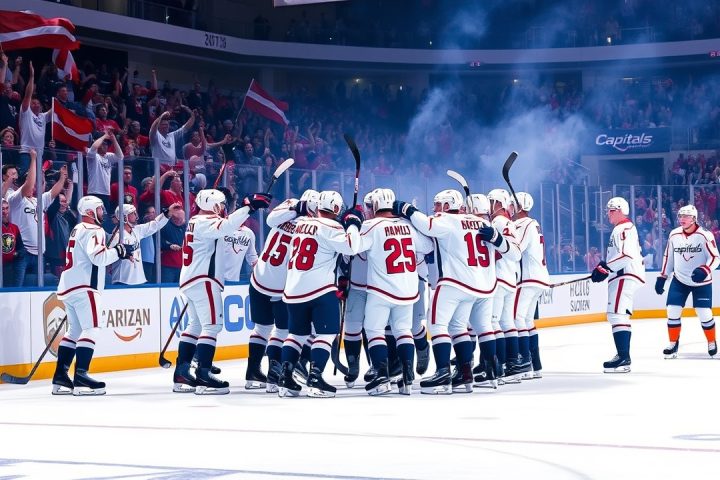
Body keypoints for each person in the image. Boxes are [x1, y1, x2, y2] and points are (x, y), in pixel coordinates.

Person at [393, 189, 509, 394]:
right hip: (480, 285)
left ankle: (443, 374)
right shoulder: (482, 222)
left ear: (448, 206)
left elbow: (427, 225)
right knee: (459, 327)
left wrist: (408, 210)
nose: (434, 208)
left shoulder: (446, 220)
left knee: (437, 325)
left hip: (454, 283)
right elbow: (505, 249)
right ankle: (470, 373)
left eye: (438, 204)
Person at [172, 189, 271, 395]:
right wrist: (248, 207)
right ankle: (204, 375)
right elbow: (227, 226)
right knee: (212, 326)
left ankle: (182, 373)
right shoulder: (206, 223)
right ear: (214, 205)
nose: (224, 208)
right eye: (222, 204)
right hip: (204, 279)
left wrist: (247, 208)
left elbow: (226, 225)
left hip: (191, 279)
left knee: (195, 325)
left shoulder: (195, 221)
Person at [277, 191, 362, 398]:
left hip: (293, 289)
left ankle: (285, 378)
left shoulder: (301, 223)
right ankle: (315, 378)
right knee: (326, 334)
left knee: (296, 335)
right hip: (319, 289)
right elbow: (352, 247)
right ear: (336, 209)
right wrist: (352, 223)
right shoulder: (332, 227)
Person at [51, 196, 135, 395]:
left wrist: (118, 251)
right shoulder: (94, 230)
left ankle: (60, 377)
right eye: (99, 209)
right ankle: (81, 377)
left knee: (74, 331)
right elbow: (98, 258)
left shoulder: (78, 228)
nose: (102, 212)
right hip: (85, 287)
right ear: (90, 212)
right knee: (92, 329)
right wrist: (119, 251)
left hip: (69, 286)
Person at [355, 188, 433, 395]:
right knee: (403, 331)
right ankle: (407, 378)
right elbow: (427, 246)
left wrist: (352, 224)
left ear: (376, 205)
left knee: (374, 330)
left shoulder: (371, 225)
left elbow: (353, 247)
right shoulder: (407, 225)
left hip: (381, 290)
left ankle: (381, 376)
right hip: (407, 290)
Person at [248, 189, 318, 392]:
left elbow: (271, 219)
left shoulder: (289, 206)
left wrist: (295, 208)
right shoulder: (313, 226)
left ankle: (253, 372)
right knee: (282, 330)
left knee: (261, 328)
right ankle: (273, 374)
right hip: (281, 285)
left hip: (260, 278)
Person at [656, 204, 720, 358]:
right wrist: (663, 276)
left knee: (704, 313)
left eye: (686, 216)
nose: (682, 219)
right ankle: (673, 344)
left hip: (701, 282)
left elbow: (715, 257)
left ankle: (712, 341)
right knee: (672, 310)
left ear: (694, 218)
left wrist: (705, 270)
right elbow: (668, 257)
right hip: (679, 280)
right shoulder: (674, 234)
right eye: (680, 216)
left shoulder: (704, 235)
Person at [591, 197, 646, 373]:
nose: (608, 214)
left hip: (624, 275)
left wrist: (606, 267)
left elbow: (627, 255)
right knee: (619, 315)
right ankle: (623, 356)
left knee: (616, 314)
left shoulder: (623, 228)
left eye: (611, 210)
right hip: (623, 274)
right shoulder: (623, 228)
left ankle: (623, 357)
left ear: (621, 210)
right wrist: (605, 266)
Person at [7, 150, 66, 286]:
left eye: (34, 185)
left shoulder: (38, 200)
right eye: (32, 183)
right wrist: (33, 159)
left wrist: (62, 177)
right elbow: (28, 184)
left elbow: (53, 192)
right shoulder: (14, 199)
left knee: (37, 288)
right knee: (17, 287)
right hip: (22, 252)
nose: (33, 187)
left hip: (39, 253)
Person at [338, 191, 375, 388]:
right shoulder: (354, 231)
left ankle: (375, 367)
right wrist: (342, 279)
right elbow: (343, 259)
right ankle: (353, 368)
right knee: (352, 328)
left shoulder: (378, 228)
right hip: (356, 289)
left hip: (378, 290)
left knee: (374, 329)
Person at [487, 189, 523, 381]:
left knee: (494, 322)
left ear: (499, 204)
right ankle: (513, 364)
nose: (488, 205)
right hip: (510, 278)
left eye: (491, 201)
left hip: (499, 276)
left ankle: (499, 366)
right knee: (507, 322)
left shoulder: (497, 222)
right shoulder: (509, 222)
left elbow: (495, 251)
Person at [513, 192, 550, 379]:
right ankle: (536, 365)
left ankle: (524, 362)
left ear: (519, 207)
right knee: (527, 320)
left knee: (516, 318)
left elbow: (516, 250)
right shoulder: (534, 224)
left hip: (527, 278)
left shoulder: (523, 224)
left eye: (512, 205)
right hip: (538, 277)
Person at [108, 202, 181, 285]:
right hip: (122, 280)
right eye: (132, 213)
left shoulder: (137, 230)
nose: (136, 215)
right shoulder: (116, 236)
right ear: (124, 217)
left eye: (135, 212)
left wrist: (168, 212)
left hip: (139, 280)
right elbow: (108, 258)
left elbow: (155, 225)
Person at [19, 62, 50, 175]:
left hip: (39, 154)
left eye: (38, 103)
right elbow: (27, 95)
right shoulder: (26, 112)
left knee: (38, 180)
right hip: (26, 152)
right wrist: (32, 77)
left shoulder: (43, 116)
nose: (36, 105)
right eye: (33, 103)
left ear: (41, 107)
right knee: (25, 177)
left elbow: (56, 108)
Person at [1, 198, 24, 287]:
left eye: (7, 208)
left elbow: (21, 248)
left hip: (10, 266)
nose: (5, 211)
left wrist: (15, 254)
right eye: (2, 209)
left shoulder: (14, 228)